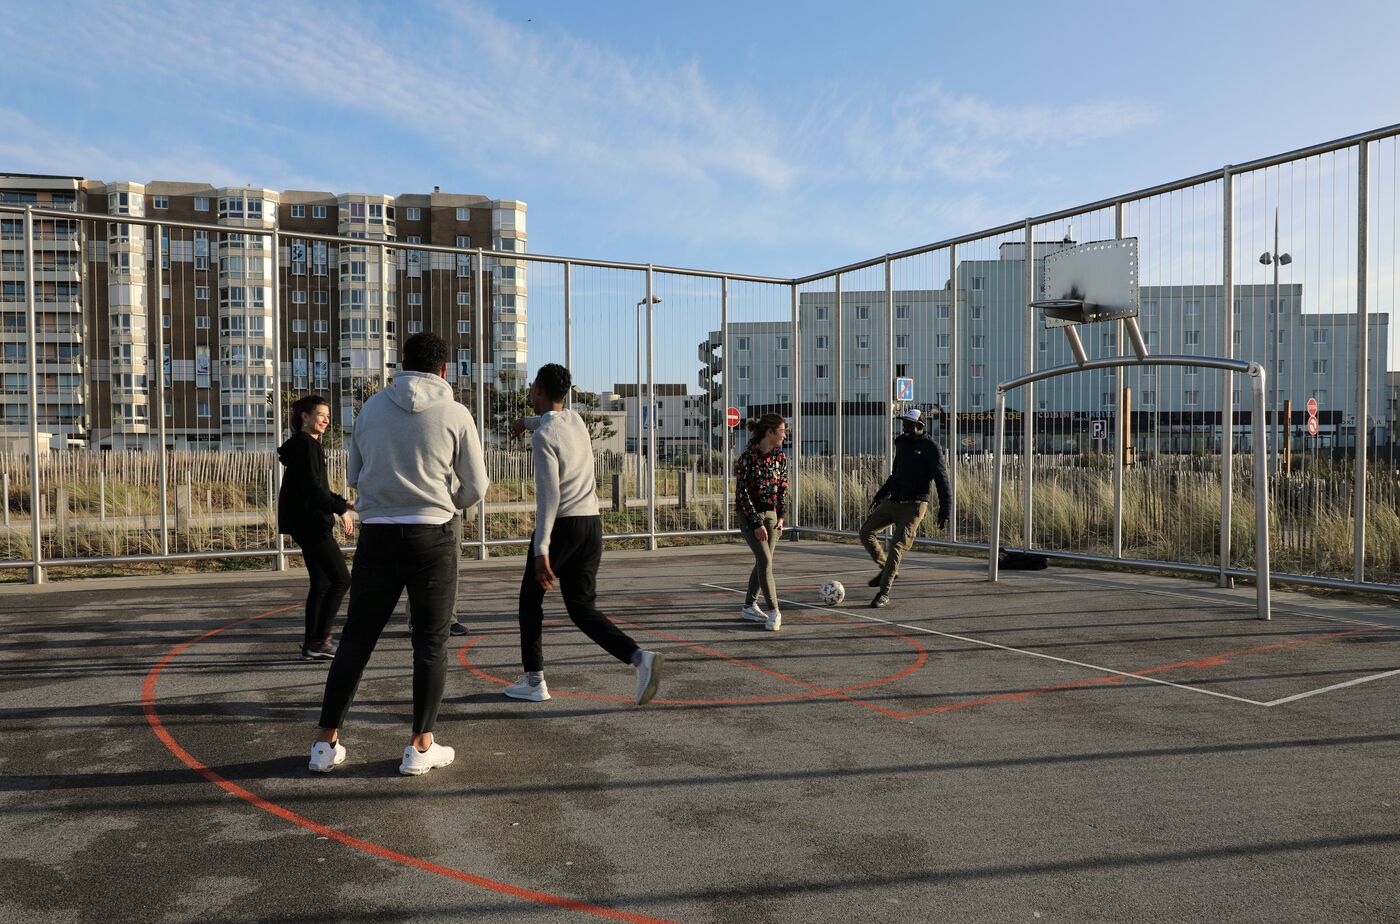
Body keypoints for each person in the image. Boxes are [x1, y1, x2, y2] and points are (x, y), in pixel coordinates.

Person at [309, 332, 489, 776]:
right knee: (430, 643)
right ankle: (420, 746)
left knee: (356, 640)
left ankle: (325, 743)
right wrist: (448, 503)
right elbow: (477, 485)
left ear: (401, 364)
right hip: (433, 535)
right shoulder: (456, 413)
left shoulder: (371, 409)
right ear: (444, 370)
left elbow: (355, 473)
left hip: (379, 536)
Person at [502, 363, 665, 705]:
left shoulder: (544, 437)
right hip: (591, 524)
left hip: (563, 525)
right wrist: (523, 422)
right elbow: (548, 419)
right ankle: (639, 658)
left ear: (538, 390)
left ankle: (534, 680)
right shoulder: (575, 421)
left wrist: (541, 549)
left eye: (533, 387)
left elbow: (549, 497)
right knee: (581, 608)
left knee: (529, 601)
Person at [277, 395, 354, 661]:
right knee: (342, 579)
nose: (326, 420)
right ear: (305, 416)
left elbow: (315, 486)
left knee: (321, 583)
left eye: (328, 416)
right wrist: (341, 509)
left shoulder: (304, 445)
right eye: (321, 414)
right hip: (311, 523)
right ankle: (320, 640)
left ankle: (313, 643)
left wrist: (342, 502)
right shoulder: (306, 446)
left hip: (306, 521)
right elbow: (313, 490)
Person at [858, 407, 950, 608]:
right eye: (904, 423)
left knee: (896, 547)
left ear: (920, 426)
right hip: (894, 501)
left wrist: (945, 510)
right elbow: (895, 475)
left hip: (914, 506)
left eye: (909, 425)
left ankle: (884, 592)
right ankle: (886, 568)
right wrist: (879, 496)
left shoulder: (931, 448)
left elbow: (942, 480)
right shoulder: (901, 443)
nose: (905, 427)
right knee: (866, 532)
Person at [734, 413, 788, 631]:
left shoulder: (781, 458)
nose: (785, 435)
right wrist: (756, 523)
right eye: (782, 431)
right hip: (750, 517)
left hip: (772, 516)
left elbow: (782, 487)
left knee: (763, 562)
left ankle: (749, 606)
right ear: (770, 432)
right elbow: (742, 494)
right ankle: (775, 611)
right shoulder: (747, 458)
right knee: (765, 561)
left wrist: (781, 515)